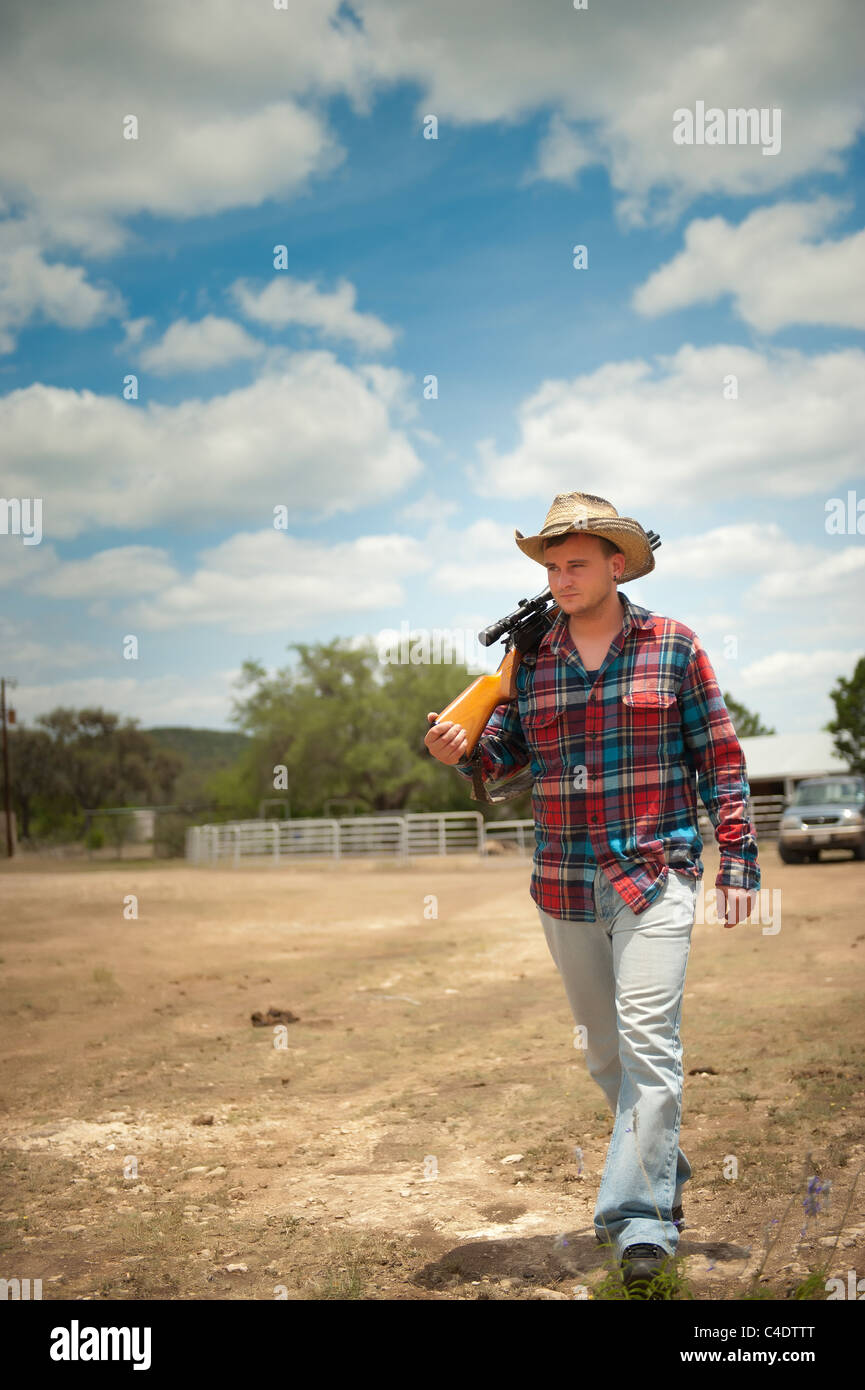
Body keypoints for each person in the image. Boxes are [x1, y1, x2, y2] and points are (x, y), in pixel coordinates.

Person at [424, 490, 760, 1295]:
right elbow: (503, 758)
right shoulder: (528, 662)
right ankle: (658, 1165)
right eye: (551, 565)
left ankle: (638, 1225)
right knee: (606, 1056)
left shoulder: (674, 647)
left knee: (648, 1043)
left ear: (616, 564)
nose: (561, 577)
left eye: (575, 563)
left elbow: (718, 756)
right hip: (563, 882)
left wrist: (739, 859)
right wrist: (459, 749)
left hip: (657, 873)